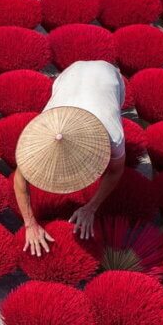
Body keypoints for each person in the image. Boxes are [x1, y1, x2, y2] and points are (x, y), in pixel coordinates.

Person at [13, 60, 126, 256]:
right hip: (70, 74)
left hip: (107, 76)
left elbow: (116, 170)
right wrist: (30, 223)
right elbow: (19, 180)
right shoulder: (37, 133)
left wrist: (91, 207)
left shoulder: (113, 133)